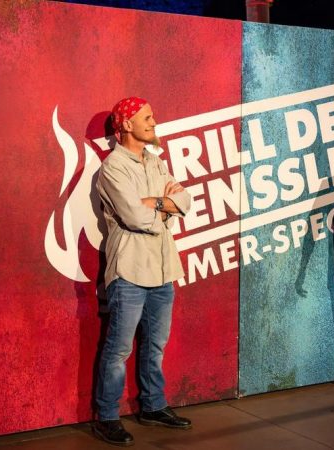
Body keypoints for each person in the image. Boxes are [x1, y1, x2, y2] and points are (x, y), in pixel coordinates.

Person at [93, 97, 192, 446]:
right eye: (146, 117)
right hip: (130, 270)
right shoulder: (113, 167)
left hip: (163, 268)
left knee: (156, 344)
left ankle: (153, 406)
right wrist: (165, 209)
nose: (153, 122)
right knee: (119, 349)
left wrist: (156, 203)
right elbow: (135, 217)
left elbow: (186, 200)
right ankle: (107, 417)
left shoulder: (156, 161)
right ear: (126, 125)